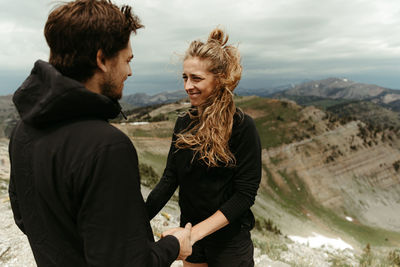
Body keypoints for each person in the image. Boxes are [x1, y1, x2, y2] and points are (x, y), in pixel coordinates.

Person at [8, 0, 192, 266]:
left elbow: (25, 218)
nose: (129, 71)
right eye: (127, 60)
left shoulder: (23, 131)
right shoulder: (107, 146)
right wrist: (174, 245)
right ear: (102, 59)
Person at [145, 28, 262, 267]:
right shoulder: (183, 123)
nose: (188, 86)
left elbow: (244, 195)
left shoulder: (241, 127)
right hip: (191, 236)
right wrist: (137, 220)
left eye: (196, 78)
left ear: (219, 80)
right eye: (185, 78)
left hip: (229, 242)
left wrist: (194, 233)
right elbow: (170, 179)